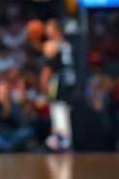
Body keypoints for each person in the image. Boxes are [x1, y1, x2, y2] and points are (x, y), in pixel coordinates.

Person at [40, 19, 76, 152]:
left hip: (59, 78)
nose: (46, 30)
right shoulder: (66, 44)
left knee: (57, 105)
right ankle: (64, 137)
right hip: (70, 77)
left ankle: (62, 138)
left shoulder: (51, 45)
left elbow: (48, 66)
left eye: (48, 27)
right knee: (64, 107)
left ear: (55, 29)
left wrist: (44, 83)